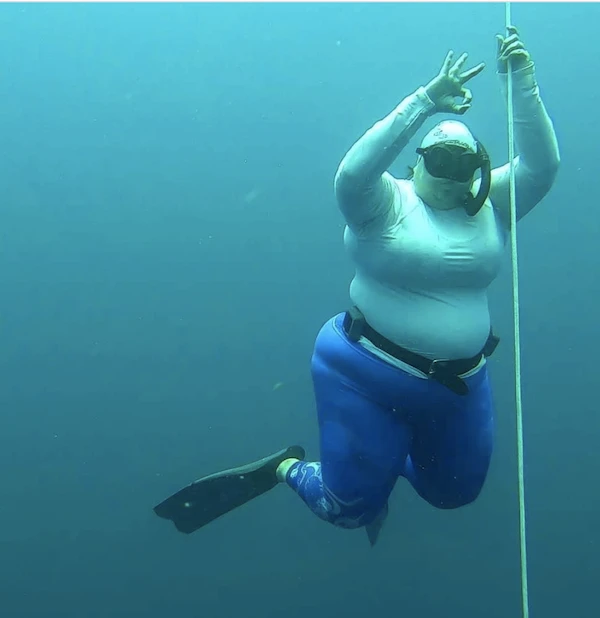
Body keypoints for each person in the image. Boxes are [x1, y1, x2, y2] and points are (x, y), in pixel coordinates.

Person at [154, 26, 559, 545]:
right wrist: (424, 102)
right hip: (364, 374)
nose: (452, 173)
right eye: (439, 159)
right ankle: (285, 470)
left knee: (454, 493)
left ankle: (383, 460)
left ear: (481, 170)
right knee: (346, 508)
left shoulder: (491, 206)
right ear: (418, 161)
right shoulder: (385, 201)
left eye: (466, 165)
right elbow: (351, 172)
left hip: (460, 386)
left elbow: (542, 168)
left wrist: (520, 80)